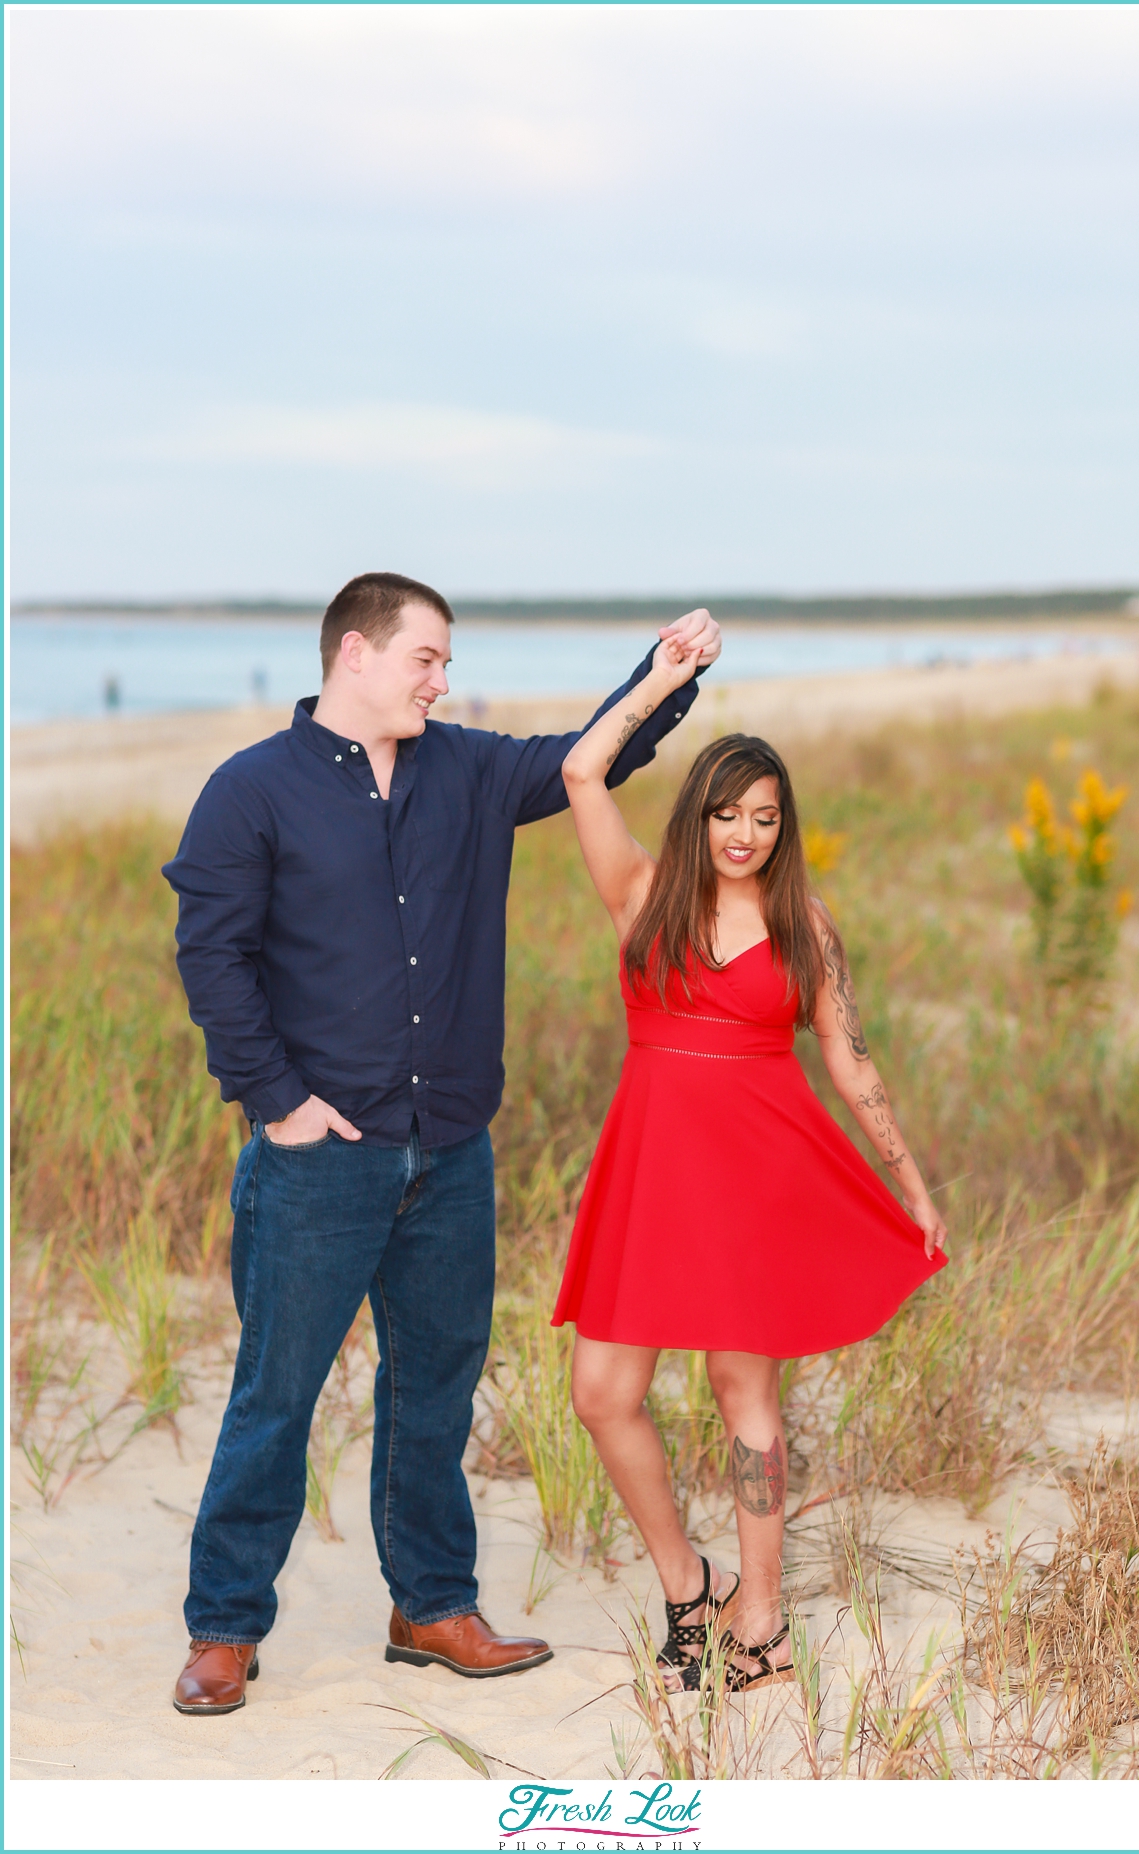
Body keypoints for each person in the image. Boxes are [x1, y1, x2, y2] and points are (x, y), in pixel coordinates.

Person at [162, 572, 721, 1715]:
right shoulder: (249, 791)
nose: (442, 678)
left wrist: (666, 681)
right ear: (355, 656)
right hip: (319, 1158)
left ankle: (431, 1607)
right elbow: (212, 959)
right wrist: (277, 1103)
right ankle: (224, 1628)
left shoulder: (465, 770)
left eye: (445, 662)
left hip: (453, 1151)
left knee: (436, 1395)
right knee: (278, 1393)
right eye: (426, 657)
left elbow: (588, 757)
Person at [551, 633, 948, 1693]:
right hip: (650, 1173)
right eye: (728, 813)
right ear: (699, 815)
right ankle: (689, 1584)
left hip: (758, 1180)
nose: (745, 834)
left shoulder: (802, 925)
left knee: (745, 1397)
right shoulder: (640, 893)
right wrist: (665, 680)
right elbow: (581, 770)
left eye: (766, 818)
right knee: (600, 1390)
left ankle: (761, 1621)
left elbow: (851, 1063)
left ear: (786, 828)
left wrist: (910, 1181)